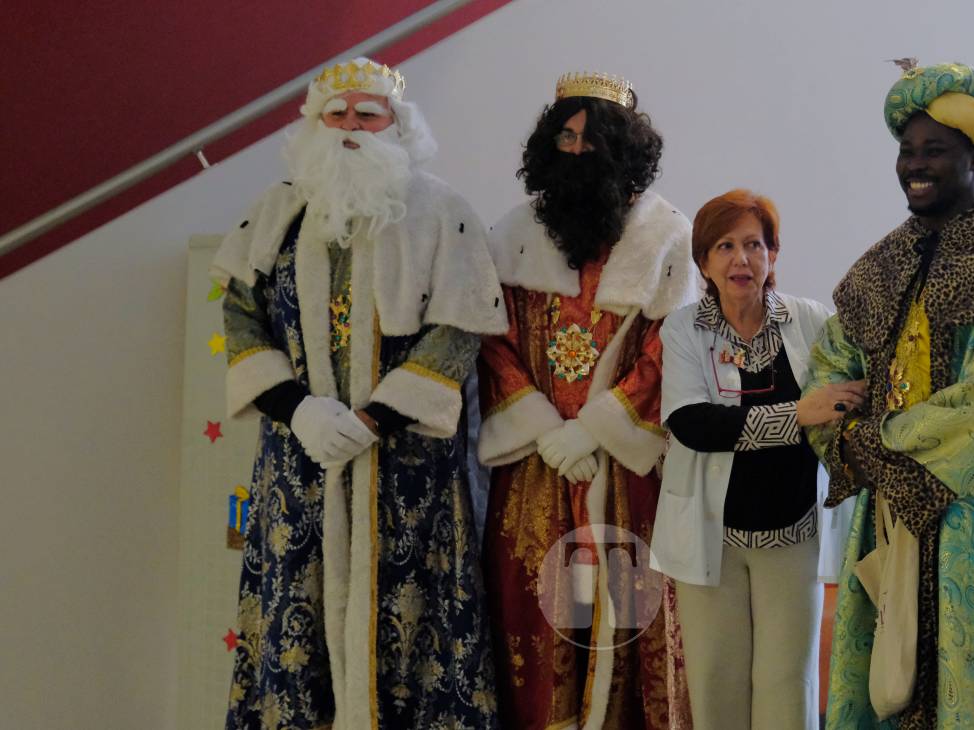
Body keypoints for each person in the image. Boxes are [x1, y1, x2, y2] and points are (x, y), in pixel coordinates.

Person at [212, 57, 506, 729]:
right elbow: (240, 314)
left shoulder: (444, 213)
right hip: (299, 464)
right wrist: (298, 411)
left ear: (397, 126)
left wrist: (373, 418)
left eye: (367, 115)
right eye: (336, 114)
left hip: (409, 474)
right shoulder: (276, 211)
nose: (350, 127)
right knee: (296, 626)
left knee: (413, 631)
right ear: (313, 123)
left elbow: (458, 331)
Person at [806, 62, 974, 728]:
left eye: (935, 149)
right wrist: (843, 436)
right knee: (890, 683)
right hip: (888, 517)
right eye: (907, 150)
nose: (916, 164)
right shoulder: (881, 265)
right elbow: (829, 366)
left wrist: (876, 443)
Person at [476, 71, 699, 730]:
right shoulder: (510, 235)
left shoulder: (668, 237)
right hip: (535, 471)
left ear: (625, 151)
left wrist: (598, 429)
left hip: (629, 474)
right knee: (532, 623)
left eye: (594, 139)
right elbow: (491, 342)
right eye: (566, 136)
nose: (577, 150)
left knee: (633, 620)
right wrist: (548, 430)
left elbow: (671, 349)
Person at [651, 189, 866, 730]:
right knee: (716, 684)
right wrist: (801, 413)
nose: (740, 260)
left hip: (793, 534)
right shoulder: (681, 330)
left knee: (787, 689)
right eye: (724, 246)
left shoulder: (813, 321)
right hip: (711, 540)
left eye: (753, 244)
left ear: (773, 254)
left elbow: (849, 400)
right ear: (703, 261)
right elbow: (694, 426)